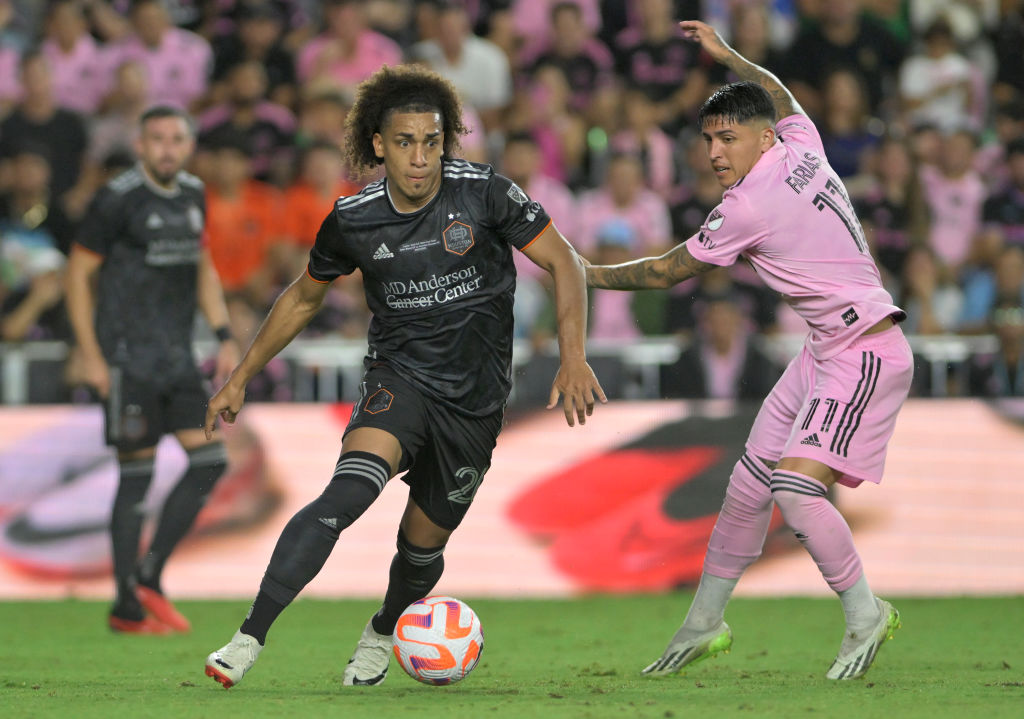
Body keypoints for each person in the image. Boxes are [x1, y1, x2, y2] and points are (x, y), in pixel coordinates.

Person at [202, 64, 605, 689]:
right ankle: (249, 636)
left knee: (421, 549)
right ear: (379, 146)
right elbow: (304, 298)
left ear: (446, 141)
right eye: (406, 142)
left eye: (432, 141)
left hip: (475, 404)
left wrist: (572, 355)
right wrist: (240, 376)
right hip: (401, 380)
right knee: (345, 497)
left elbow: (565, 262)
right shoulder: (353, 218)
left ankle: (383, 630)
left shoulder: (486, 193)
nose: (420, 157)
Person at [585, 20, 912, 681]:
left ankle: (865, 612)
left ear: (760, 139)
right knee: (748, 483)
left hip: (865, 349)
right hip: (825, 346)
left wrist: (580, 271)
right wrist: (729, 56)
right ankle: (705, 621)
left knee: (794, 486)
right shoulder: (801, 145)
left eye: (727, 137)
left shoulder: (749, 203)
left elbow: (663, 272)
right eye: (708, 138)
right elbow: (780, 93)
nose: (714, 151)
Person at [65, 105, 239, 635]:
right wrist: (92, 354)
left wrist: (224, 333)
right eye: (157, 139)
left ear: (189, 146)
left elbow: (201, 265)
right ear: (141, 145)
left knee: (210, 461)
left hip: (178, 357)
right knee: (135, 478)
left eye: (176, 138)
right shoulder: (117, 199)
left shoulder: (193, 194)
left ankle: (148, 573)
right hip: (127, 359)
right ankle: (127, 606)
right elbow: (77, 274)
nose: (167, 147)